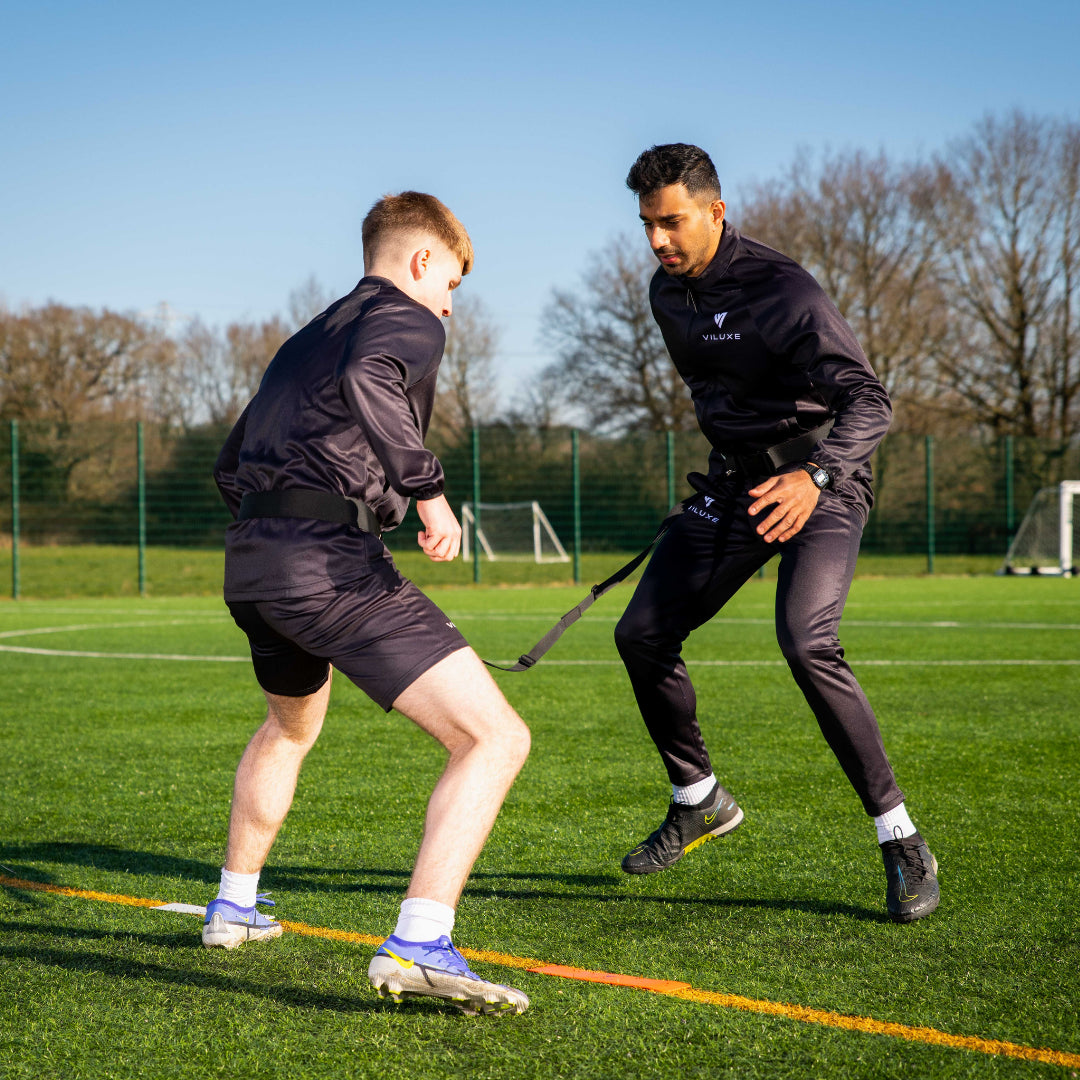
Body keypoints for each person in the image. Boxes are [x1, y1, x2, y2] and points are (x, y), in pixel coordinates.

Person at [206, 191, 532, 1014]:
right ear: (423, 260)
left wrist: (276, 526)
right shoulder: (408, 320)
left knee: (290, 725)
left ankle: (233, 909)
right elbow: (372, 375)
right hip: (327, 565)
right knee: (494, 738)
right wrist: (427, 495)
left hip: (252, 563)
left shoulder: (307, 334)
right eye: (453, 281)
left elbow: (231, 457)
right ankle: (420, 941)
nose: (452, 303)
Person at [614, 144, 939, 923]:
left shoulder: (783, 288)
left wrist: (815, 475)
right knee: (642, 632)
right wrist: (736, 471)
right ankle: (698, 799)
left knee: (806, 642)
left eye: (672, 222)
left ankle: (903, 841)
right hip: (737, 485)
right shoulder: (667, 295)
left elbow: (871, 399)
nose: (658, 241)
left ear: (715, 212)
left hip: (821, 482)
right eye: (647, 225)